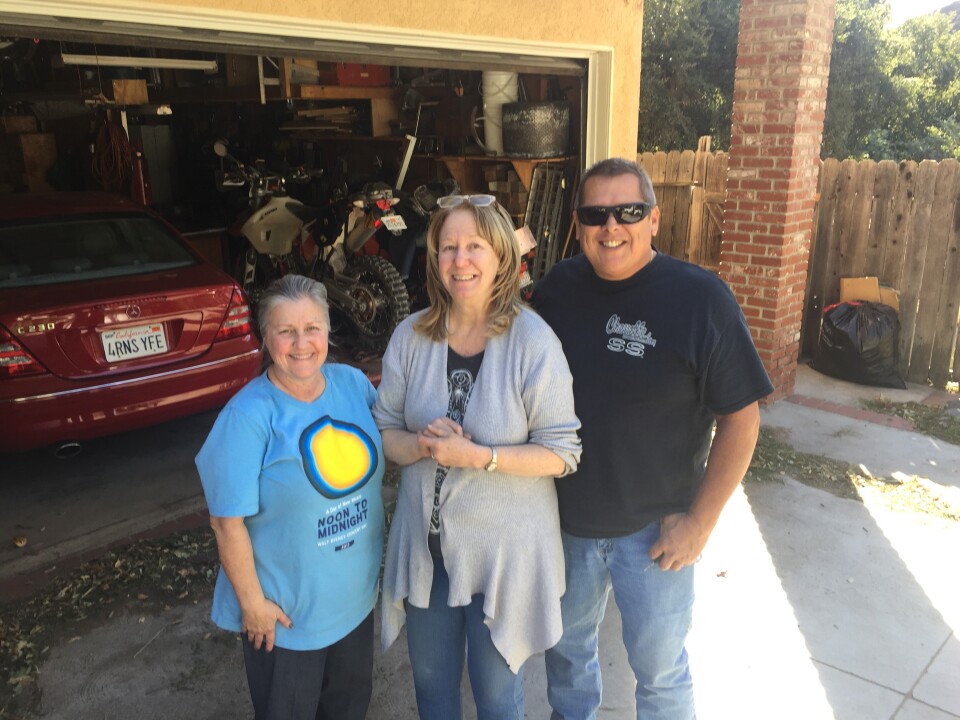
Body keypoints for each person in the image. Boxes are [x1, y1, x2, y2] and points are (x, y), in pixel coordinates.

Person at [533, 158, 774, 720]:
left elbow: (742, 418)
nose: (611, 226)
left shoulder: (700, 299)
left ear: (654, 220)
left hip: (656, 537)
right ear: (578, 224)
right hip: (565, 525)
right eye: (596, 214)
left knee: (661, 675)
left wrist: (701, 521)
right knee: (567, 667)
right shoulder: (556, 289)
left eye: (629, 211)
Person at [374, 194, 582, 720]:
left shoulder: (533, 341)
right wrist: (422, 444)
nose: (460, 260)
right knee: (433, 693)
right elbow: (384, 435)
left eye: (474, 246)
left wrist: (480, 456)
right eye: (448, 247)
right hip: (429, 554)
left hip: (504, 558)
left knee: (495, 700)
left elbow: (562, 453)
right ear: (434, 258)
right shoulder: (410, 336)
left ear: (500, 257)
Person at [196, 274, 384, 720]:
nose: (302, 343)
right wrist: (252, 605)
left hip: (353, 603)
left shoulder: (351, 383)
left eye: (312, 328)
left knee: (348, 710)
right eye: (286, 331)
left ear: (328, 331)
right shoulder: (247, 416)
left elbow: (388, 440)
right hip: (288, 618)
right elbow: (226, 523)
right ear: (266, 337)